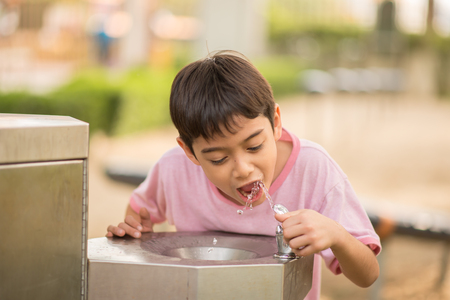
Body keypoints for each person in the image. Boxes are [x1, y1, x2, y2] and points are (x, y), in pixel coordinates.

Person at [106, 50, 381, 300]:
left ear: (275, 122)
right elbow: (138, 214)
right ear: (189, 152)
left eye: (254, 146)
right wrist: (134, 231)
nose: (243, 168)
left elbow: (367, 275)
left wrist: (337, 235)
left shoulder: (313, 169)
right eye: (218, 159)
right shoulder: (174, 169)